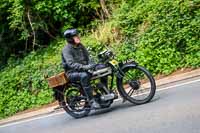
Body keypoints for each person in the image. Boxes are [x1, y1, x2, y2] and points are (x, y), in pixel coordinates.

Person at [61, 28, 101, 109]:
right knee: (84, 76)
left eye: (77, 35)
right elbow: (71, 64)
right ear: (70, 39)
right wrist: (86, 67)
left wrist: (92, 64)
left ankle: (103, 91)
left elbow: (88, 57)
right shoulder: (66, 50)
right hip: (72, 73)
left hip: (84, 69)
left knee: (102, 67)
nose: (78, 37)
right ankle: (92, 101)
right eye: (75, 36)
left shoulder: (80, 46)